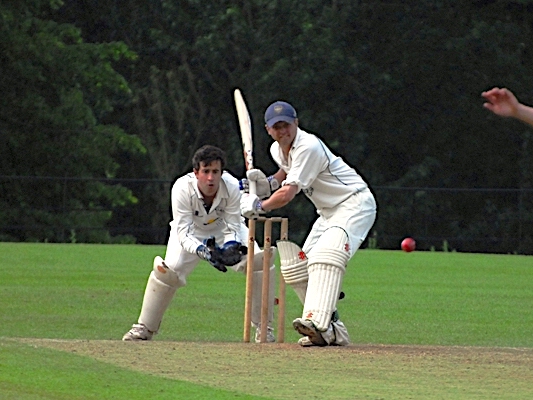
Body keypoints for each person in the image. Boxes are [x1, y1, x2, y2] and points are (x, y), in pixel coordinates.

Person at [240, 101, 377, 347]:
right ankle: (332, 331)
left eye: (286, 125)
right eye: (276, 127)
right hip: (327, 212)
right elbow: (284, 176)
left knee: (326, 255)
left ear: (296, 123)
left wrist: (259, 206)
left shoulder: (308, 146)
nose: (283, 131)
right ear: (268, 130)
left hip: (353, 203)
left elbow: (287, 194)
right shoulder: (276, 150)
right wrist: (265, 184)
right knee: (296, 268)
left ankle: (317, 322)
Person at [123, 145, 277, 343]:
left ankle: (264, 329)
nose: (211, 178)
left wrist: (231, 246)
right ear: (196, 172)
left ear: (222, 172)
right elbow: (183, 232)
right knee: (168, 272)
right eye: (206, 171)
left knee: (258, 262)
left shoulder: (230, 185)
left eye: (215, 172)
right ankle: (144, 328)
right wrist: (204, 251)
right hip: (191, 232)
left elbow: (233, 223)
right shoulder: (181, 188)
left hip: (224, 229)